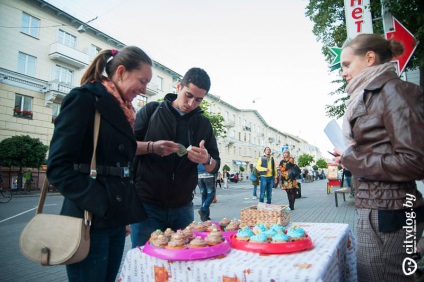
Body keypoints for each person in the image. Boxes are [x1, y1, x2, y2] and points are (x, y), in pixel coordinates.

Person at [46, 46, 152, 281]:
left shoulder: (124, 110)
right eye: (142, 81)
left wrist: (120, 211)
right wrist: (101, 202)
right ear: (122, 72)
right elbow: (58, 167)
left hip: (113, 217)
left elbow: (121, 166)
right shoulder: (84, 99)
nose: (144, 90)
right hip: (88, 218)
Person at [333, 34, 424, 282]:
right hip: (381, 207)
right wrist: (350, 157)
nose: (343, 72)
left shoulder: (393, 91)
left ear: (369, 58)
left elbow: (415, 161)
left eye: (346, 64)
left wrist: (352, 158)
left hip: (389, 211)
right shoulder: (372, 94)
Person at [130, 67, 220, 247]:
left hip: (183, 208)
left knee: (183, 264)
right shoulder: (151, 111)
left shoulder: (203, 123)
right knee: (145, 263)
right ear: (179, 86)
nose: (191, 103)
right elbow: (126, 147)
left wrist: (206, 159)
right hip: (147, 205)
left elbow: (215, 165)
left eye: (198, 100)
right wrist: (151, 147)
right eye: (188, 95)